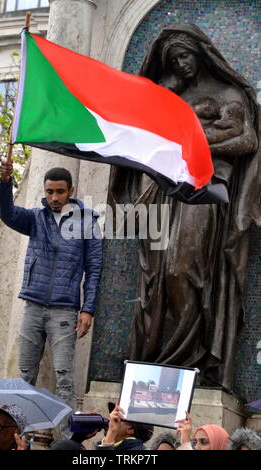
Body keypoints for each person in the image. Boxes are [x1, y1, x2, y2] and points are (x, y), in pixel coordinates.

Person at [109, 23, 260, 391]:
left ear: (201, 55)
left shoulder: (227, 93)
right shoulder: (169, 94)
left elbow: (248, 140)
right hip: (164, 192)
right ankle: (158, 364)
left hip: (206, 190)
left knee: (182, 268)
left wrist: (197, 145)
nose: (181, 63)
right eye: (175, 59)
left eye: (186, 56)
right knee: (156, 277)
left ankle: (189, 359)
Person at [0, 163, 103, 438]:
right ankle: (18, 438)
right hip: (32, 305)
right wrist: (5, 182)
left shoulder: (87, 221)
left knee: (65, 376)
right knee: (24, 376)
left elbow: (94, 269)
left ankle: (69, 441)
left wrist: (88, 309)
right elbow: (7, 214)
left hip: (65, 311)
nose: (54, 198)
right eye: (49, 192)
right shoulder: (35, 217)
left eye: (59, 192)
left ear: (71, 191)